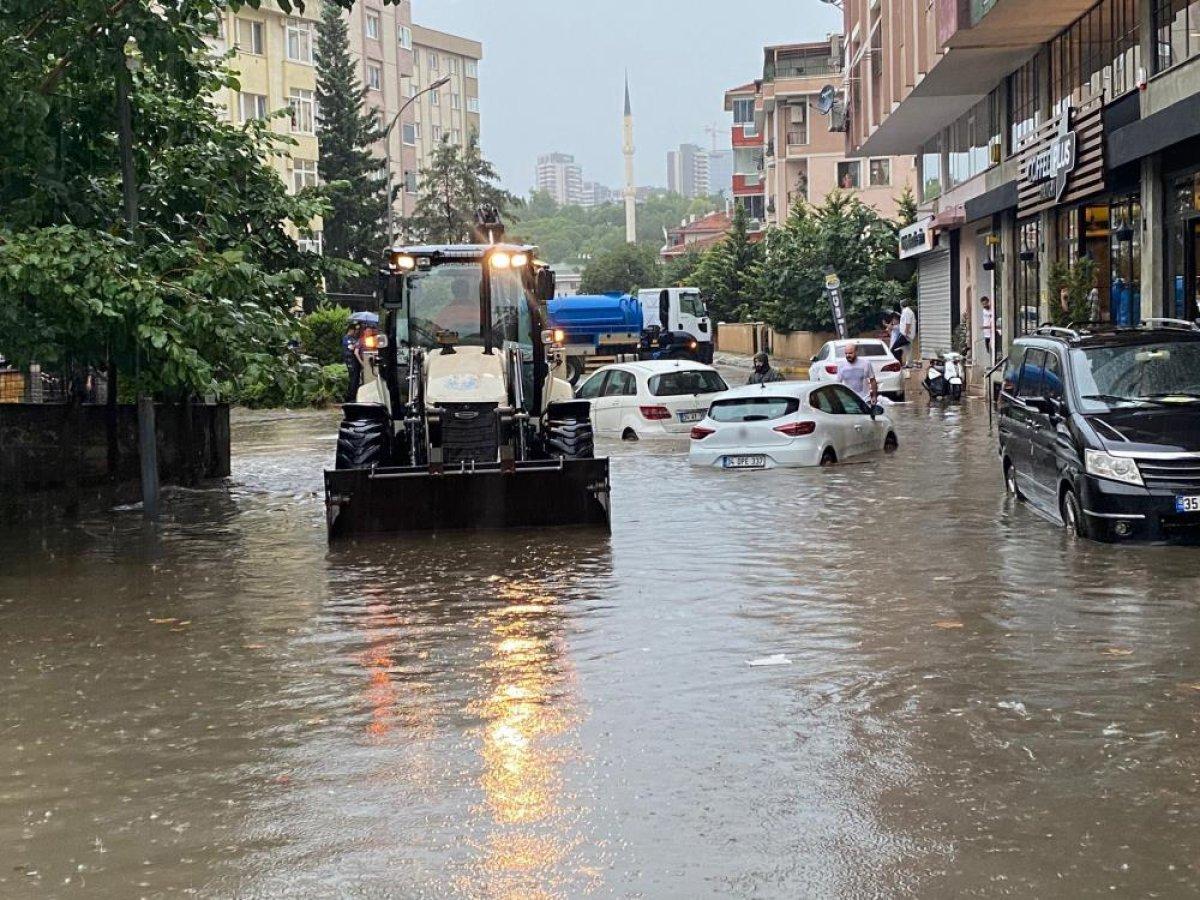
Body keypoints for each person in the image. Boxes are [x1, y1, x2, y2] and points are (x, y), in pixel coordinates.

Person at [343, 322, 362, 402]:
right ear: (351, 330)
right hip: (350, 360)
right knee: (353, 379)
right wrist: (356, 345)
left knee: (356, 378)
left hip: (355, 361)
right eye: (354, 330)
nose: (355, 332)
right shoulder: (346, 338)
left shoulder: (354, 338)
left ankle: (354, 395)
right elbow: (351, 348)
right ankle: (350, 396)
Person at [899, 300, 917, 366]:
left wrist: (906, 333)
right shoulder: (906, 311)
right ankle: (909, 362)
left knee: (908, 349)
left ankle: (909, 364)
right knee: (907, 349)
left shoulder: (907, 311)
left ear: (901, 305)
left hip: (907, 334)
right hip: (906, 334)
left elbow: (908, 323)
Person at [980, 296, 994, 361]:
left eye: (986, 303)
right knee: (988, 350)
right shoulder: (984, 310)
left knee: (993, 350)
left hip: (993, 333)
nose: (984, 305)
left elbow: (993, 322)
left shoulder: (992, 310)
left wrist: (986, 327)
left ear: (988, 302)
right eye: (983, 304)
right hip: (986, 334)